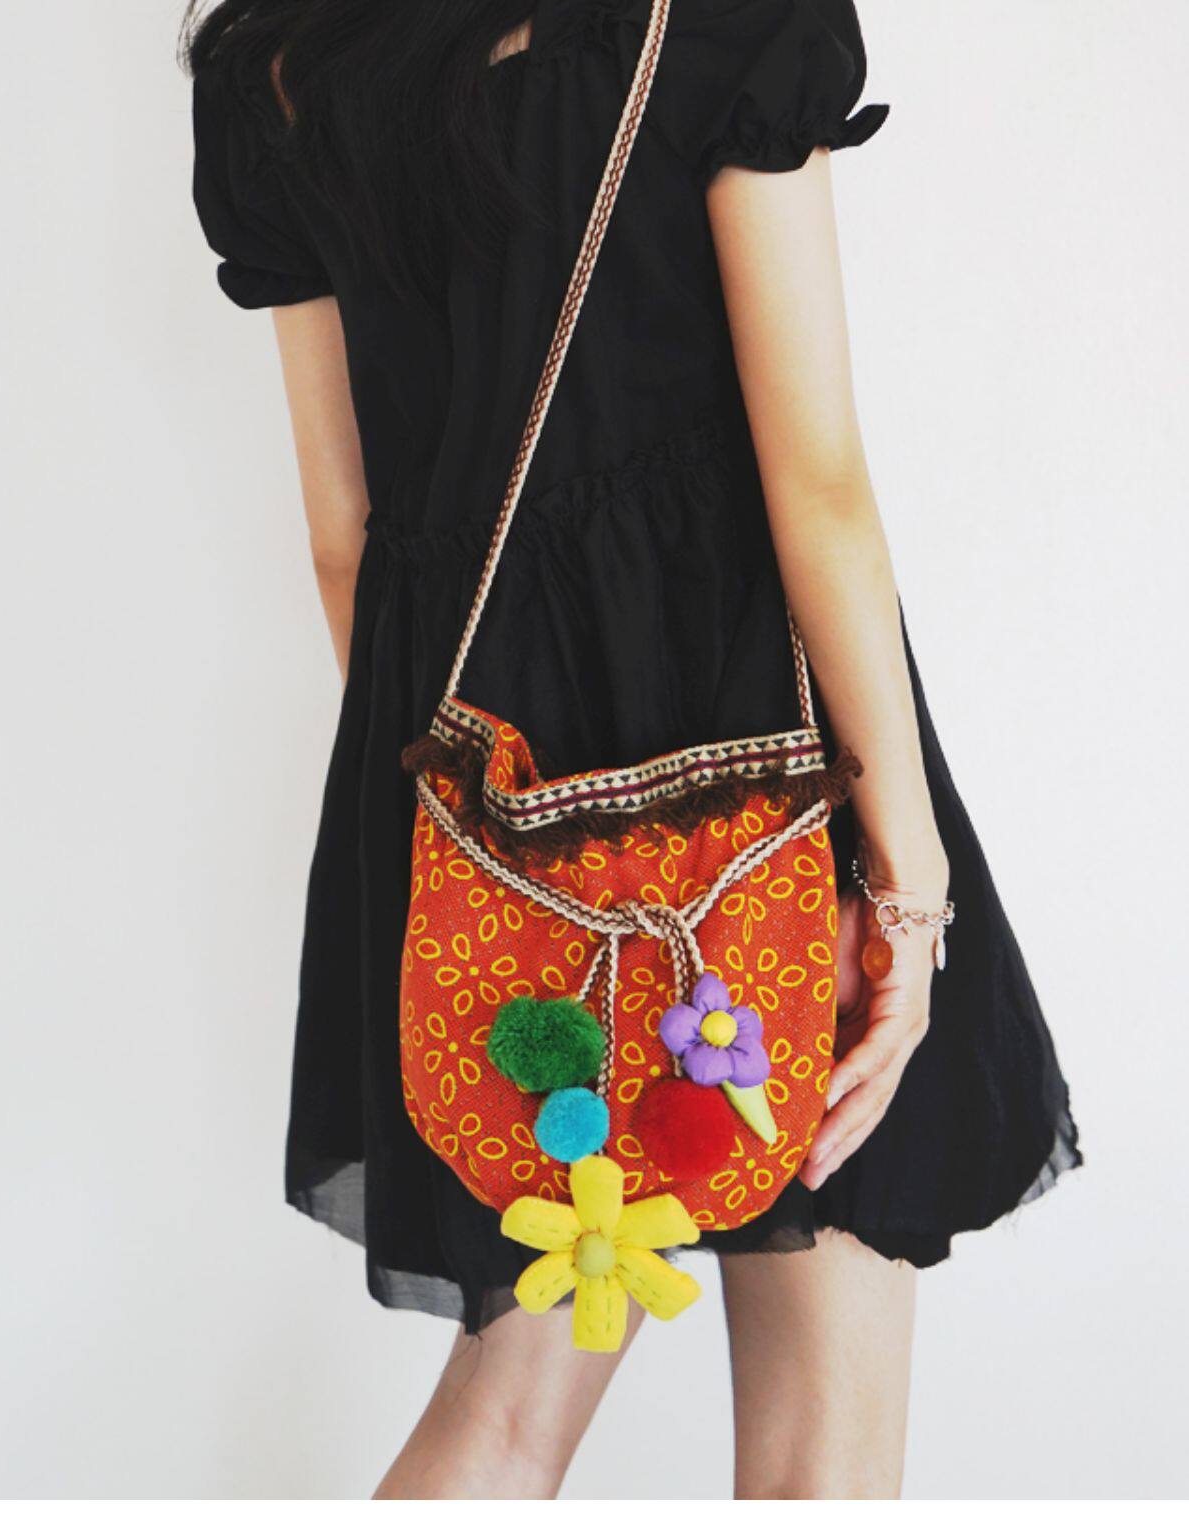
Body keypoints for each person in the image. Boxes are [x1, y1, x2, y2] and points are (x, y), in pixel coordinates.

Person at [187, 0, 1080, 1498]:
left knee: (507, 1409)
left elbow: (347, 541)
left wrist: (478, 847)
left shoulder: (279, 60)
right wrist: (909, 883)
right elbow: (815, 484)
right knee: (823, 1423)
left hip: (489, 784)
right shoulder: (724, 19)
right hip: (766, 747)